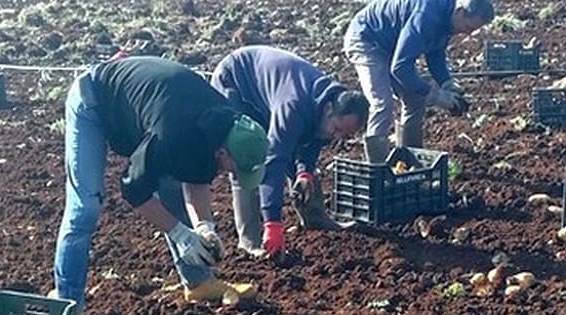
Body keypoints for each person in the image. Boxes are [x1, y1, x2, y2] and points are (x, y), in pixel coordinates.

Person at [53, 56, 268, 315]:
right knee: (86, 207)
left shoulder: (223, 124)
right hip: (94, 101)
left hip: (150, 113)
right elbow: (133, 188)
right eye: (235, 169)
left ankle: (199, 283)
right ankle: (69, 312)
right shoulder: (172, 133)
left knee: (173, 189)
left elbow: (196, 177)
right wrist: (180, 234)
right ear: (223, 153)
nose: (235, 177)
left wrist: (205, 228)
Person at [210, 46, 370, 257]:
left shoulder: (326, 99)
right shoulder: (293, 105)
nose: (336, 137)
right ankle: (250, 240)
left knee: (295, 144)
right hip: (236, 82)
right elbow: (274, 160)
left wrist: (305, 171)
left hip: (270, 91)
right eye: (337, 129)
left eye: (343, 134)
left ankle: (315, 217)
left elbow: (314, 136)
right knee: (246, 155)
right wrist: (273, 224)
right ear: (329, 109)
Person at [344, 0, 495, 162]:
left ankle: (409, 160)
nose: (468, 34)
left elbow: (435, 52)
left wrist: (446, 82)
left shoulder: (448, 17)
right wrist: (436, 96)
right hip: (367, 39)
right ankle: (378, 169)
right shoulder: (426, 15)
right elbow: (400, 68)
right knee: (382, 102)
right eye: (468, 28)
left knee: (415, 100)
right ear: (460, 12)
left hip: (392, 46)